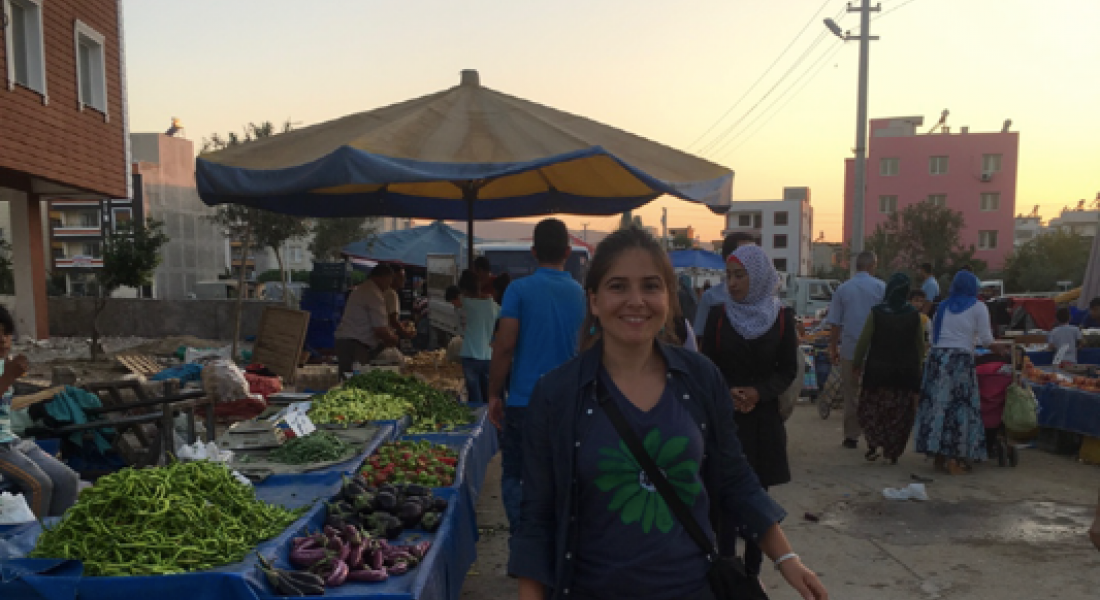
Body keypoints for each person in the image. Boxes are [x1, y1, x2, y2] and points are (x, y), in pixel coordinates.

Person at [509, 227, 827, 600]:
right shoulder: (557, 394)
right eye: (617, 287)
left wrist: (785, 556)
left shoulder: (700, 378)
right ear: (593, 300)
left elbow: (734, 477)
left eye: (650, 286)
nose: (636, 301)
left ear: (669, 299)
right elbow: (537, 519)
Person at [700, 244, 798, 577]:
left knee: (756, 500)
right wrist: (726, 393)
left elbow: (787, 370)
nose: (733, 283)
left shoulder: (783, 319)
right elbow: (707, 365)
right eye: (729, 275)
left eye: (740, 275)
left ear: (757, 277)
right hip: (726, 420)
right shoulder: (718, 315)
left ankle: (753, 575)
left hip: (762, 421)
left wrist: (759, 392)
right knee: (723, 498)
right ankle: (727, 569)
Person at [487, 218, 586, 533]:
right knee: (563, 474)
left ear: (533, 252)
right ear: (568, 252)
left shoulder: (518, 290)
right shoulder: (582, 295)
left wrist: (493, 394)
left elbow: (504, 347)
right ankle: (560, 546)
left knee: (517, 475)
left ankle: (524, 545)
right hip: (570, 403)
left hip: (524, 403)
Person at [915, 271, 1009, 475]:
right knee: (959, 409)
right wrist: (1000, 348)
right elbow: (986, 340)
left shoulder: (943, 307)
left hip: (937, 360)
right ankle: (954, 458)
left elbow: (933, 338)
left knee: (938, 407)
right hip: (959, 362)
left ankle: (938, 455)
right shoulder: (978, 307)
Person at [0, 307, 80, 518]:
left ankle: (56, 535)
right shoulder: (6, 371)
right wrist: (7, 378)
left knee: (67, 479)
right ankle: (31, 545)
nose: (3, 340)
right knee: (39, 485)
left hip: (11, 441)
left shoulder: (4, 365)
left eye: (6, 333)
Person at [851, 273, 926, 465]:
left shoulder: (877, 312)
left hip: (877, 371)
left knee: (874, 409)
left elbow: (864, 340)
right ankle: (893, 451)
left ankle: (874, 444)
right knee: (899, 413)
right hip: (904, 373)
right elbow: (920, 344)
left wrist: (857, 363)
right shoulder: (913, 314)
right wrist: (919, 365)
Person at [826, 251, 886, 449]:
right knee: (873, 392)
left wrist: (832, 348)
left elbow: (834, 323)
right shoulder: (881, 287)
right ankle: (873, 434)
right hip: (875, 350)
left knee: (851, 393)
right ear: (872, 266)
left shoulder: (843, 289)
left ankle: (851, 436)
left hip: (850, 349)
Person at [334, 264, 398, 375]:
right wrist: (393, 339)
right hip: (355, 344)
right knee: (355, 382)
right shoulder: (373, 294)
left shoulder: (362, 289)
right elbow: (380, 329)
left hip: (347, 340)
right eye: (389, 280)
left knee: (347, 380)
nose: (390, 284)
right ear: (382, 277)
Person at [692, 232, 758, 340]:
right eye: (747, 255)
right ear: (729, 258)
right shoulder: (712, 299)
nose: (754, 260)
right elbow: (700, 338)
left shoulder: (768, 300)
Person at [458, 270, 499, 404]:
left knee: (475, 400)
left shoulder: (465, 303)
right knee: (488, 397)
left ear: (464, 289)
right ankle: (488, 423)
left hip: (470, 356)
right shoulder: (494, 306)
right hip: (489, 357)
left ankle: (477, 423)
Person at [385, 264, 414, 342]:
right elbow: (393, 321)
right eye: (401, 277)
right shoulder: (391, 293)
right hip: (387, 337)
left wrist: (401, 324)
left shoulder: (386, 291)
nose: (404, 279)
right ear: (393, 277)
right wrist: (406, 333)